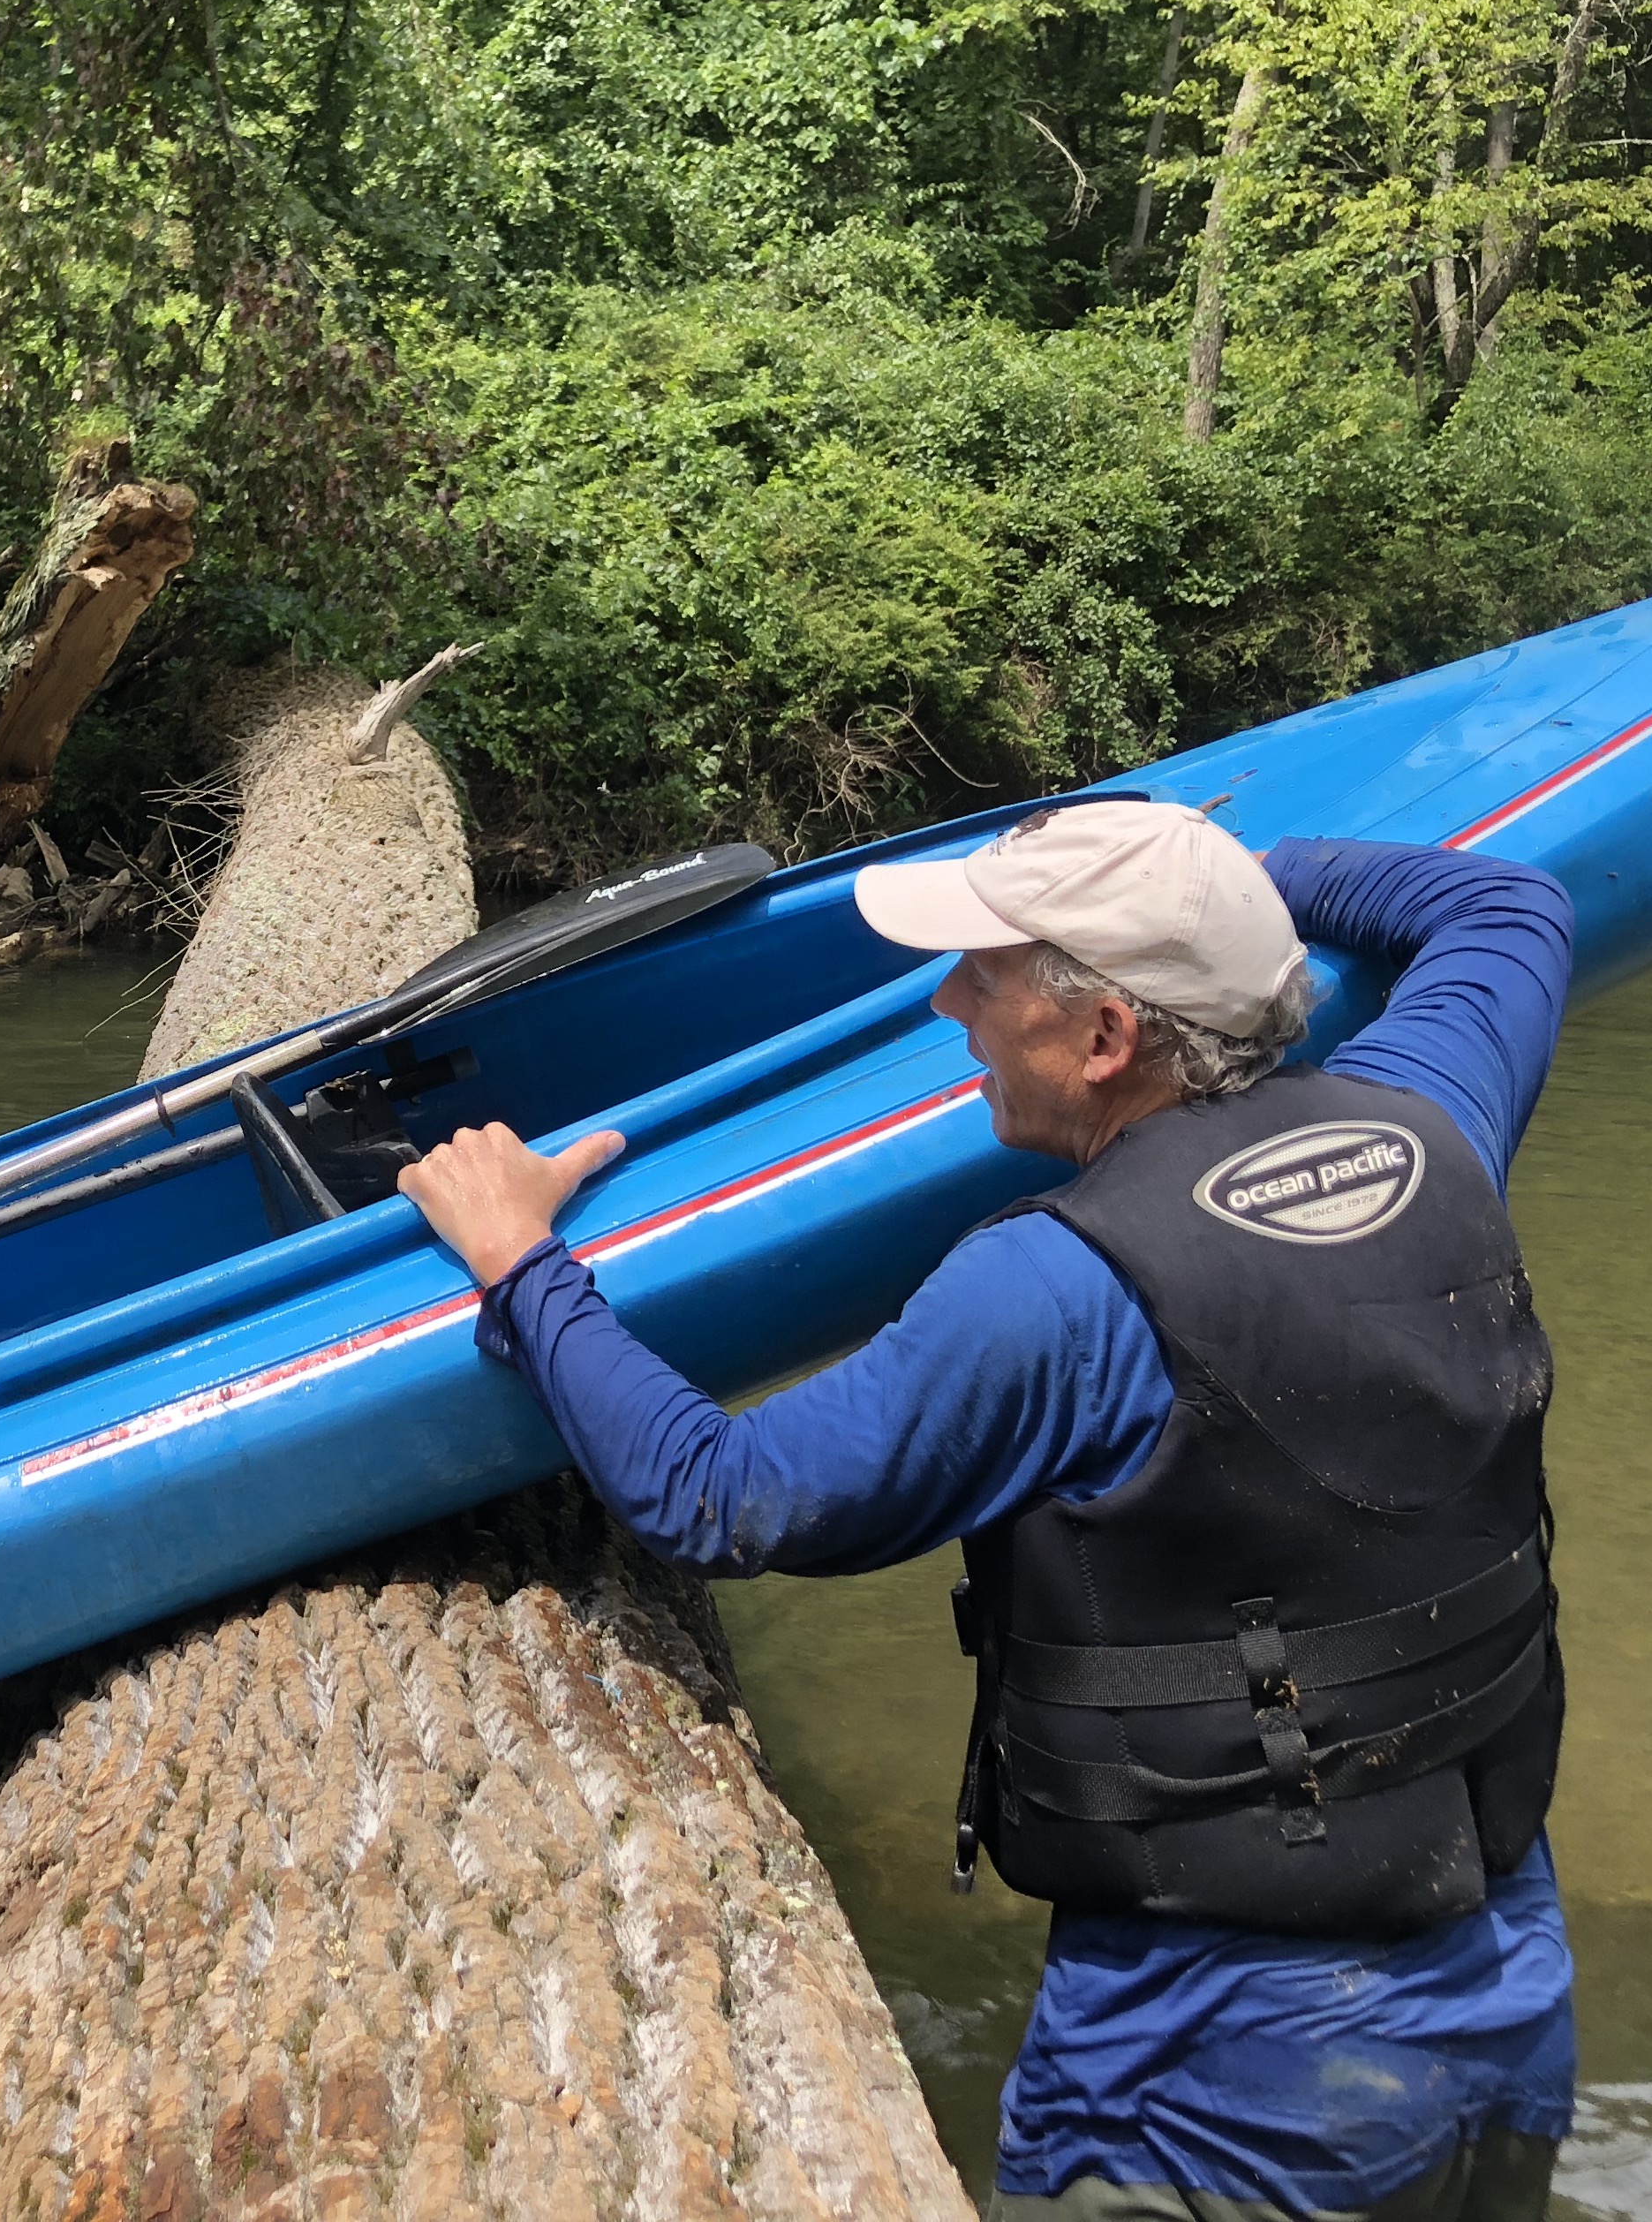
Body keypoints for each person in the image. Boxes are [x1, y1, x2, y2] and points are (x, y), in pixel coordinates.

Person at [394, 800, 1578, 2222]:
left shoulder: (1055, 1295)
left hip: (1214, 2088)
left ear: (1106, 1038)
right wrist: (1229, 885)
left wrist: (519, 1258)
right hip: (1510, 2017)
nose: (950, 1002)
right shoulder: (1435, 1121)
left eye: (989, 974)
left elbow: (720, 1496)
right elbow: (1510, 908)